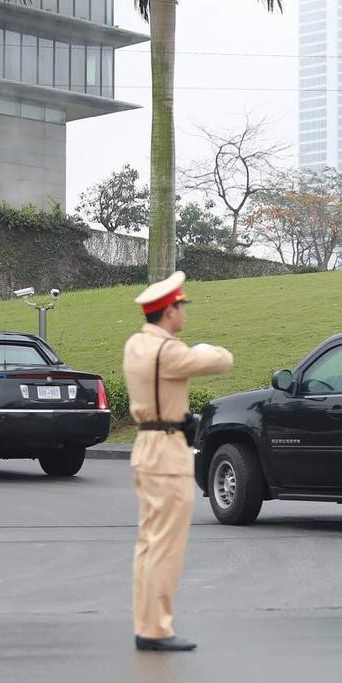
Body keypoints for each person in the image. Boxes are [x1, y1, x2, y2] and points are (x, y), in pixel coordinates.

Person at [123, 271, 233, 652]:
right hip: (166, 451)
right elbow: (221, 361)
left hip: (146, 446)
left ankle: (146, 623)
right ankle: (156, 629)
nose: (183, 312)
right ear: (169, 311)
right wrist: (202, 347)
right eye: (181, 306)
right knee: (166, 546)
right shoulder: (167, 351)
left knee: (148, 543)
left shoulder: (136, 344)